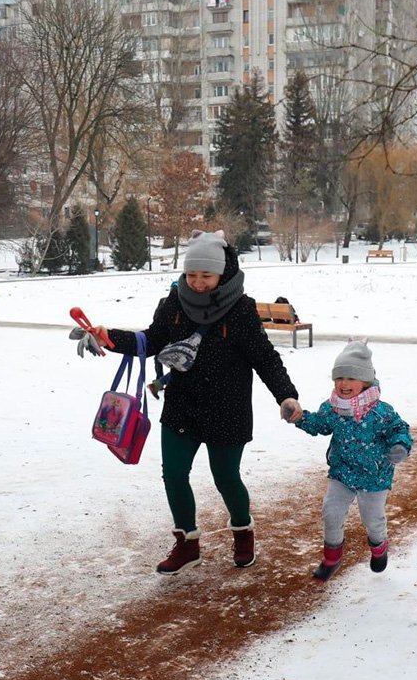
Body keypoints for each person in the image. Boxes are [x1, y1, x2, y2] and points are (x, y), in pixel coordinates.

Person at [77, 230, 303, 574]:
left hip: (228, 408)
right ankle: (187, 544)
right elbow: (151, 340)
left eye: (205, 275)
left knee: (225, 477)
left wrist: (286, 394)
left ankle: (243, 531)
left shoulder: (241, 310)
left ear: (222, 273)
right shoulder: (175, 303)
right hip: (183, 405)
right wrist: (109, 338)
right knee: (174, 475)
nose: (197, 282)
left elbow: (265, 357)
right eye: (191, 274)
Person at [294, 340, 413, 580]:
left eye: (350, 378)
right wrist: (299, 418)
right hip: (342, 473)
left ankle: (379, 547)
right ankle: (332, 557)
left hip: (374, 475)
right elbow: (319, 424)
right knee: (331, 512)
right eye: (339, 378)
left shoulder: (381, 411)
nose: (344, 384)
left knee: (373, 519)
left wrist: (399, 446)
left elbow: (399, 429)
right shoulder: (332, 408)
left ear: (366, 381)